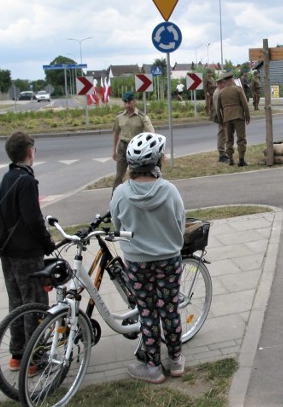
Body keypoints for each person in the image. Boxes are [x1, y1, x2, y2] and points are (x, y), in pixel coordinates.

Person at [110, 132, 186, 384]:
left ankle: (152, 367)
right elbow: (180, 222)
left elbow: (116, 225)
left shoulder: (120, 193)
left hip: (137, 262)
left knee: (147, 311)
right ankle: (175, 360)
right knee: (170, 309)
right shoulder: (170, 191)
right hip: (168, 260)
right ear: (158, 163)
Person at [0, 132, 57, 373]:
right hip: (27, 254)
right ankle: (36, 359)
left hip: (7, 253)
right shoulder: (27, 181)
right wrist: (47, 243)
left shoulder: (6, 177)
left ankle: (17, 355)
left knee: (17, 304)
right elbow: (33, 220)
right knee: (35, 304)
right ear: (30, 152)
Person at [112, 92, 154, 193]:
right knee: (119, 176)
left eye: (129, 102)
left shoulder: (141, 117)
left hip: (136, 148)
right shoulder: (119, 117)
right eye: (125, 103)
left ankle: (135, 198)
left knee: (135, 175)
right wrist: (114, 150)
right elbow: (116, 133)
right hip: (122, 147)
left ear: (134, 101)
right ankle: (114, 202)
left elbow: (152, 133)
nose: (127, 105)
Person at [217, 71, 251, 167]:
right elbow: (245, 104)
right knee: (241, 138)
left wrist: (220, 120)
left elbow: (218, 108)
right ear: (232, 79)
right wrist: (247, 116)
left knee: (229, 139)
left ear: (225, 80)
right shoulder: (238, 89)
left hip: (227, 117)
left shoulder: (221, 92)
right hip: (238, 116)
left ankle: (231, 159)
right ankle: (241, 160)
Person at [210, 73, 230, 163]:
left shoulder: (219, 91)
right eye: (224, 83)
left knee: (224, 134)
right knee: (222, 134)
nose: (226, 85)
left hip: (222, 116)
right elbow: (218, 107)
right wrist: (222, 120)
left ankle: (223, 153)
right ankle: (222, 154)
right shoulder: (217, 93)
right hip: (220, 116)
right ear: (221, 83)